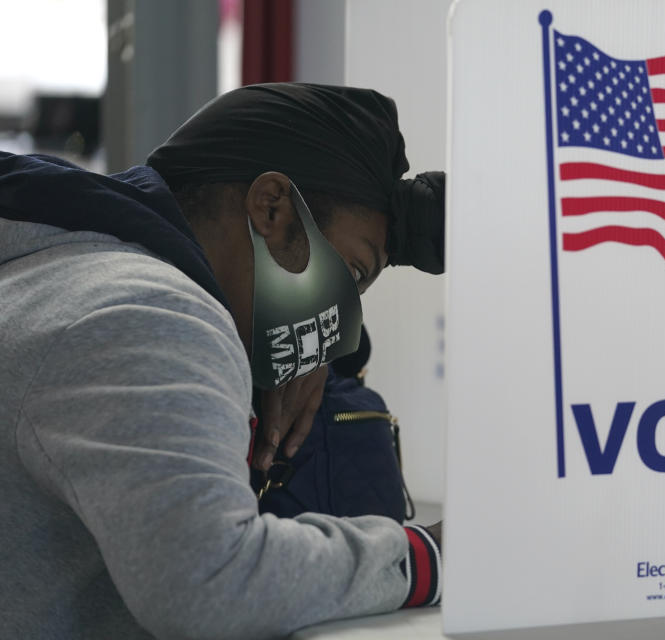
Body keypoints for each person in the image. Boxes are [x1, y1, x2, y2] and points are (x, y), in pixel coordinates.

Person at [0, 84, 444, 639]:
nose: (338, 330)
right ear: (272, 209)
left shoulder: (60, 268)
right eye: (351, 275)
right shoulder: (151, 312)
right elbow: (210, 581)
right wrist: (428, 556)